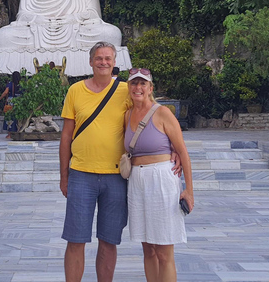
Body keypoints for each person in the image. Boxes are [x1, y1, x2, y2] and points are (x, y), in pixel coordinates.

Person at [59, 41, 130, 282]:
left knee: (109, 241)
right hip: (81, 174)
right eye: (99, 58)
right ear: (90, 62)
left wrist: (171, 148)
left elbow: (149, 117)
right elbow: (66, 135)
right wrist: (64, 176)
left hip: (115, 177)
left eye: (108, 58)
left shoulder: (126, 91)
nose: (103, 62)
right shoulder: (76, 90)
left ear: (114, 62)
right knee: (75, 239)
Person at [124, 68, 194, 282]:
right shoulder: (127, 115)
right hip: (137, 180)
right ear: (128, 87)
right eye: (134, 83)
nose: (138, 88)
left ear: (150, 88)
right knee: (148, 249)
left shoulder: (162, 112)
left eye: (143, 83)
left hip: (161, 179)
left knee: (164, 251)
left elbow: (182, 151)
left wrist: (189, 190)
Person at [0, 71, 22, 138]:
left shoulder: (10, 84)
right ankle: (18, 131)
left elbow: (6, 92)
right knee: (18, 117)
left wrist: (0, 98)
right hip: (20, 102)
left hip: (11, 102)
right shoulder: (22, 84)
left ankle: (10, 134)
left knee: (10, 117)